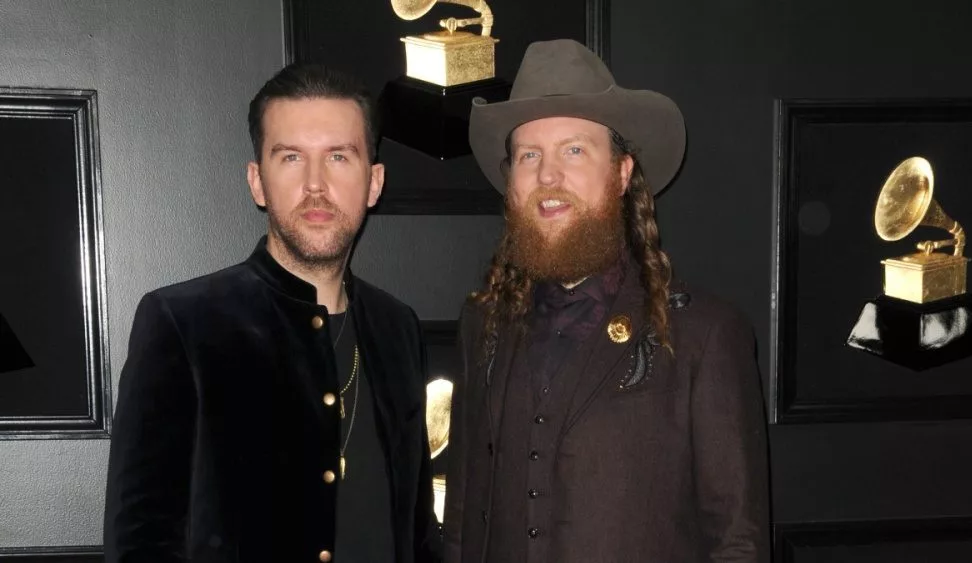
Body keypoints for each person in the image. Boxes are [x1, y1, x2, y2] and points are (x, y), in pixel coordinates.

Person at [443, 39, 769, 562]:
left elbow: (737, 543)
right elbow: (460, 523)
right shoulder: (481, 325)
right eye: (530, 155)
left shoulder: (707, 335)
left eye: (574, 150)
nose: (548, 176)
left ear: (621, 173)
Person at [104, 62, 438, 563]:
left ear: (375, 182)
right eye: (290, 158)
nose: (316, 185)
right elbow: (139, 542)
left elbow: (417, 532)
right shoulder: (182, 323)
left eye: (339, 157)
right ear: (257, 181)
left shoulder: (399, 328)